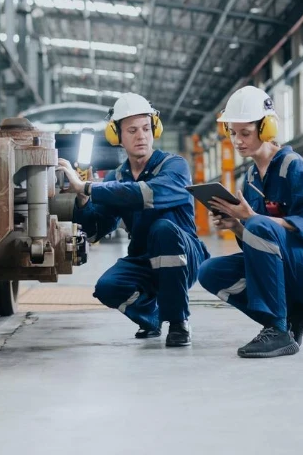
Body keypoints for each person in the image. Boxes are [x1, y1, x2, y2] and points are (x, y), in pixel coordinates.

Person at [197, 85, 303, 358]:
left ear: (266, 129)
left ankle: (277, 329)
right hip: (291, 271)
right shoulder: (252, 179)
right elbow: (259, 244)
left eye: (245, 133)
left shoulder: (293, 166)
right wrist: (236, 227)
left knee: (258, 224)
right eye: (232, 133)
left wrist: (253, 219)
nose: (237, 141)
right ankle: (292, 313)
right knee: (209, 271)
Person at [57, 92, 209, 347]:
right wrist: (82, 200)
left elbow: (147, 195)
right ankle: (152, 317)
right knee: (107, 287)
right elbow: (96, 230)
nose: (141, 136)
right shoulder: (116, 178)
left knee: (163, 229)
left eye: (146, 128)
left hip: (185, 255)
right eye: (132, 130)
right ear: (117, 136)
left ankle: (178, 321)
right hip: (144, 259)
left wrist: (88, 188)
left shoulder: (175, 166)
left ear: (154, 130)